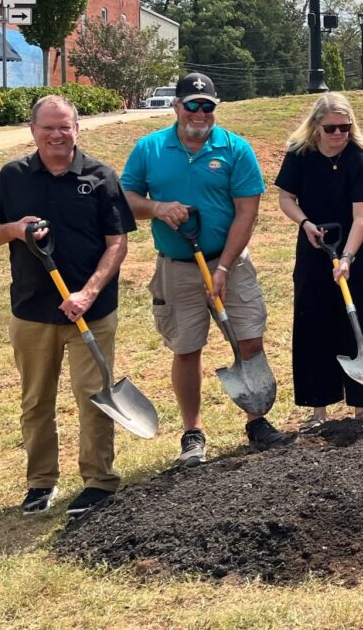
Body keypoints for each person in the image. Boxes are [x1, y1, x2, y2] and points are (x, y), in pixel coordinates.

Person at [0, 95, 136, 516]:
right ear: (32, 130)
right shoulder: (14, 176)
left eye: (64, 126)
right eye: (48, 127)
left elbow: (117, 243)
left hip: (92, 312)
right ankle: (40, 483)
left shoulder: (101, 176)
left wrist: (88, 293)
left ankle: (99, 481)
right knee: (36, 402)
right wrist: (14, 228)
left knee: (94, 396)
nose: (56, 135)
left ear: (77, 129)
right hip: (32, 311)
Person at [120, 73, 291, 465]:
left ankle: (256, 421)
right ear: (176, 106)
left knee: (249, 339)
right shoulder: (149, 149)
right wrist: (158, 208)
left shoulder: (235, 149)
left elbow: (247, 212)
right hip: (177, 268)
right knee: (187, 348)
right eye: (192, 105)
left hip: (229, 263)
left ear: (215, 109)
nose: (200, 113)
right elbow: (126, 198)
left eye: (207, 106)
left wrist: (225, 267)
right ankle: (193, 433)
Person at [275, 93, 363, 427]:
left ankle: (360, 407)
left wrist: (348, 258)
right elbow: (285, 198)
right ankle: (318, 408)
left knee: (357, 320)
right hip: (314, 247)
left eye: (344, 127)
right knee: (313, 322)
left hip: (353, 248)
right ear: (316, 127)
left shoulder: (360, 158)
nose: (338, 134)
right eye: (331, 128)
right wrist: (305, 223)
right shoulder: (300, 155)